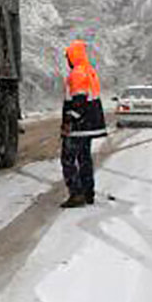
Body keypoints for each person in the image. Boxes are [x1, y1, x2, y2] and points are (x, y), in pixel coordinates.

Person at [60, 39, 108, 207]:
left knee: (67, 159)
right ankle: (88, 192)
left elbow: (78, 102)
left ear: (73, 56)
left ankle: (76, 193)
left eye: (68, 57)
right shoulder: (89, 71)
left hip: (78, 127)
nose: (67, 60)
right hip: (89, 126)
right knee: (84, 158)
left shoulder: (77, 74)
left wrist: (69, 120)